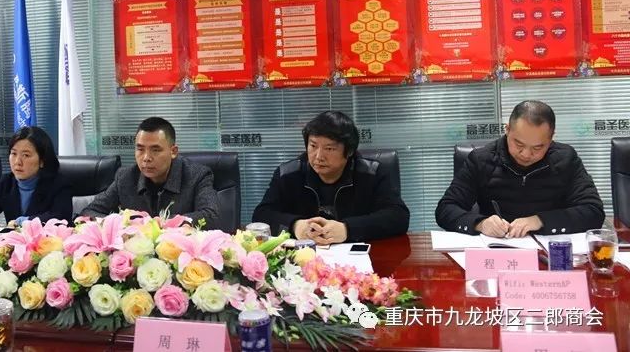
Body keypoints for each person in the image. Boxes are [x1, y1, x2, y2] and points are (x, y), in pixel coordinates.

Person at [436, 100, 605, 238]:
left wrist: (540, 220)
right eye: (519, 144)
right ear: (507, 130)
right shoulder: (481, 160)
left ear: (551, 138)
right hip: (498, 249)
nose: (526, 154)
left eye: (538, 147)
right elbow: (446, 209)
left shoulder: (565, 159)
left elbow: (593, 211)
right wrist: (480, 223)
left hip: (550, 253)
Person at [251, 111, 409, 245]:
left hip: (358, 261)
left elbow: (398, 217)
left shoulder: (372, 174)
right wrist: (295, 226)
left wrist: (347, 229)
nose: (318, 156)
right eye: (313, 146)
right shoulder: (288, 174)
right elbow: (261, 214)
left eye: (329, 148)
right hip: (302, 261)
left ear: (349, 151)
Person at [81, 117, 219, 229]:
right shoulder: (125, 177)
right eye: (140, 149)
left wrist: (161, 223)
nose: (146, 158)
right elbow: (88, 213)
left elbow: (211, 216)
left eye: (156, 150)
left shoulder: (197, 176)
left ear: (173, 152)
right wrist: (123, 224)